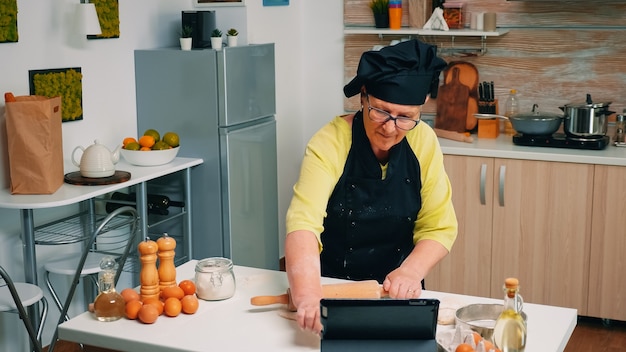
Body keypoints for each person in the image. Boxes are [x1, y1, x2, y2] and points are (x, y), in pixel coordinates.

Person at [284, 39, 458, 334]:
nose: (390, 128)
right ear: (363, 98)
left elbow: (439, 226)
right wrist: (308, 295)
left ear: (421, 110)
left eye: (405, 118)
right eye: (381, 111)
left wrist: (411, 271)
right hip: (333, 291)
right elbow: (303, 224)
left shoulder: (423, 140)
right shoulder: (329, 142)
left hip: (400, 292)